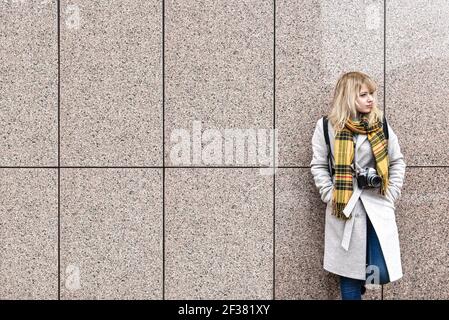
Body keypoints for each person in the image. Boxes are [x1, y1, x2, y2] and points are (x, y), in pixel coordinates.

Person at [310, 71, 406, 300]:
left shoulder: (379, 124)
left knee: (379, 271)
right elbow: (318, 165)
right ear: (348, 96)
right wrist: (330, 195)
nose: (370, 99)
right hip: (345, 207)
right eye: (363, 94)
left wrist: (391, 194)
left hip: (376, 204)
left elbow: (397, 160)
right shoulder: (326, 126)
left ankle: (363, 279)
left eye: (371, 94)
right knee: (349, 276)